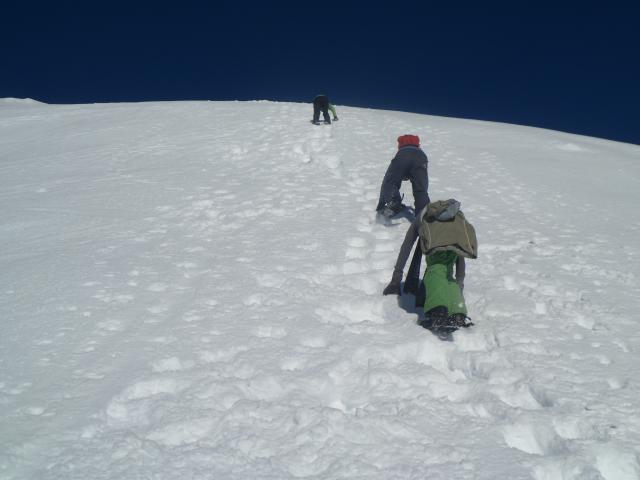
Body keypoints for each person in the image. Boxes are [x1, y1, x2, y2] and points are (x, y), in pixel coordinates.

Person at [378, 134, 430, 296]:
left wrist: (381, 204)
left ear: (400, 144)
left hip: (403, 157)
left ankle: (392, 203)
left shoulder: (402, 151)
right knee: (421, 191)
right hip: (421, 158)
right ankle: (424, 217)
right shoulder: (419, 151)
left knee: (390, 182)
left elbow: (390, 180)